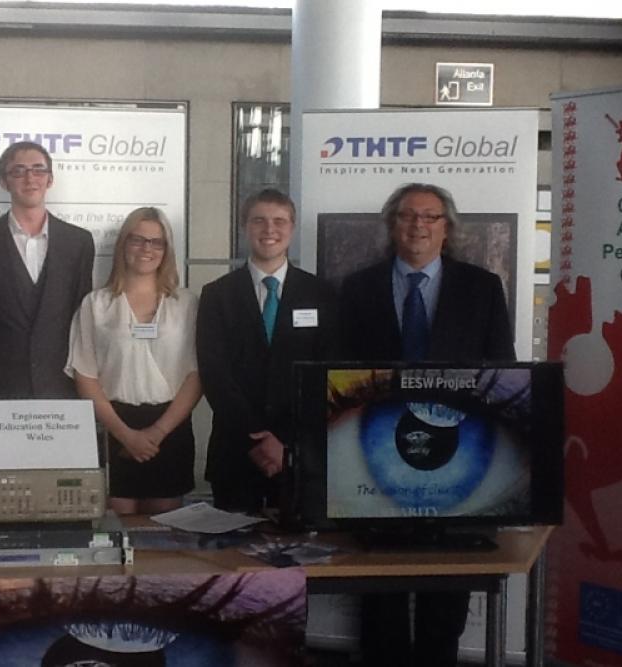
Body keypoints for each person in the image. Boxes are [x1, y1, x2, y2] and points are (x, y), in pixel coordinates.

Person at [340, 182, 516, 667]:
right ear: (392, 225)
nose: (418, 225)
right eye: (407, 215)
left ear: (447, 229)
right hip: (378, 457)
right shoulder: (357, 289)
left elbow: (501, 372)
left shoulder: (482, 287)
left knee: (446, 594)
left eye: (430, 217)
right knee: (379, 595)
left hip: (456, 454)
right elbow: (338, 372)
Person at [196, 188, 340, 513]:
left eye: (279, 221)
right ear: (245, 227)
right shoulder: (217, 295)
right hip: (235, 452)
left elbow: (327, 373)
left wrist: (284, 441)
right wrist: (256, 438)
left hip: (299, 453)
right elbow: (214, 374)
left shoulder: (322, 294)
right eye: (259, 220)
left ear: (292, 228)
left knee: (300, 543)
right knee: (232, 544)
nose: (269, 229)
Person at [66, 207, 201, 514]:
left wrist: (158, 432)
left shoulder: (186, 304)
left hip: (171, 427)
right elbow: (85, 375)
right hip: (114, 427)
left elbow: (196, 375)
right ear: (123, 244)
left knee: (167, 531)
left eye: (156, 242)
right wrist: (124, 434)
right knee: (117, 525)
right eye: (137, 239)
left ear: (166, 249)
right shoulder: (96, 304)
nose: (146, 249)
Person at [0, 140, 94, 400]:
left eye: (38, 170)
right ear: (3, 182)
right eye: (18, 171)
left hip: (62, 387)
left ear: (50, 179)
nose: (30, 178)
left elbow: (81, 317)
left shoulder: (79, 242)